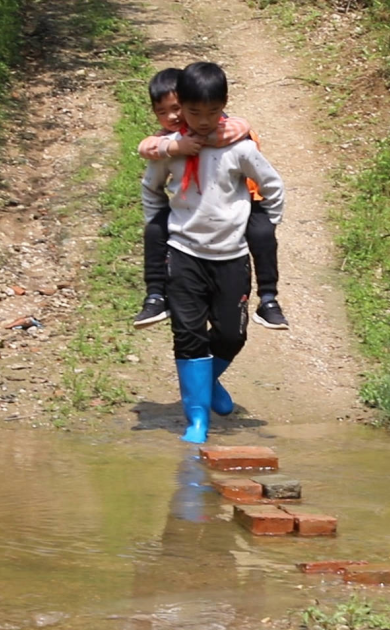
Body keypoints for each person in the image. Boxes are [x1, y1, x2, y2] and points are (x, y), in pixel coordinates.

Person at [141, 62, 284, 443]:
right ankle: (197, 421)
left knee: (232, 335)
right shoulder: (172, 148)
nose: (203, 121)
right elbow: (151, 187)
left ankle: (208, 383)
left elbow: (271, 183)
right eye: (193, 112)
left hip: (232, 256)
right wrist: (157, 224)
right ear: (179, 107)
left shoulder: (239, 147)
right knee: (188, 334)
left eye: (211, 112)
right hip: (183, 253)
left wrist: (267, 222)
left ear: (224, 106)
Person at [132, 68, 289, 331]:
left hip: (248, 203)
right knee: (154, 231)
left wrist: (272, 216)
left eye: (175, 109)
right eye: (162, 111)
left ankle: (269, 299)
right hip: (187, 240)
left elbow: (243, 128)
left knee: (263, 234)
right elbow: (145, 149)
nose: (172, 117)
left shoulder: (232, 133)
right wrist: (174, 147)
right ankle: (155, 296)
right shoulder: (170, 141)